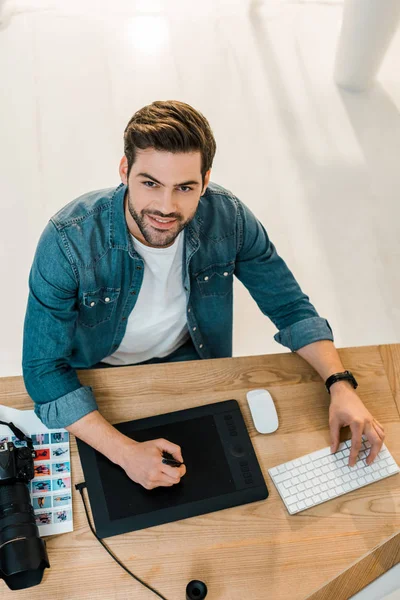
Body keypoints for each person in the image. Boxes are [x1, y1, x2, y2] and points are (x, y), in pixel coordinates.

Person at [22, 100, 385, 492]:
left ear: (206, 181)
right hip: (100, 372)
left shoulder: (229, 218)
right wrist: (125, 453)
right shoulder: (68, 241)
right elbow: (43, 371)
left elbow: (290, 307)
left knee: (233, 486)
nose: (165, 206)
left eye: (185, 188)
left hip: (190, 360)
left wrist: (340, 383)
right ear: (124, 171)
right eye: (150, 183)